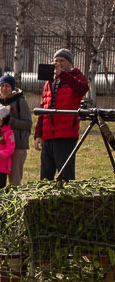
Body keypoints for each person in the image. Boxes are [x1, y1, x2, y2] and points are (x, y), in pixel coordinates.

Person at [39, 49, 92, 182]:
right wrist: (38, 134)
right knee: (46, 177)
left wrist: (63, 75)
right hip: (48, 135)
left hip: (66, 135)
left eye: (61, 60)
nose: (58, 63)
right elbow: (43, 107)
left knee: (65, 177)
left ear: (69, 63)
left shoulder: (75, 75)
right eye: (56, 60)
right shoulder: (49, 81)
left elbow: (82, 89)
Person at [0, 74, 33, 186]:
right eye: (2, 86)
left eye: (7, 86)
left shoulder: (20, 102)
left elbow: (28, 123)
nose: (4, 89)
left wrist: (10, 120)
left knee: (14, 181)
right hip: (0, 146)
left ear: (12, 88)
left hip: (17, 146)